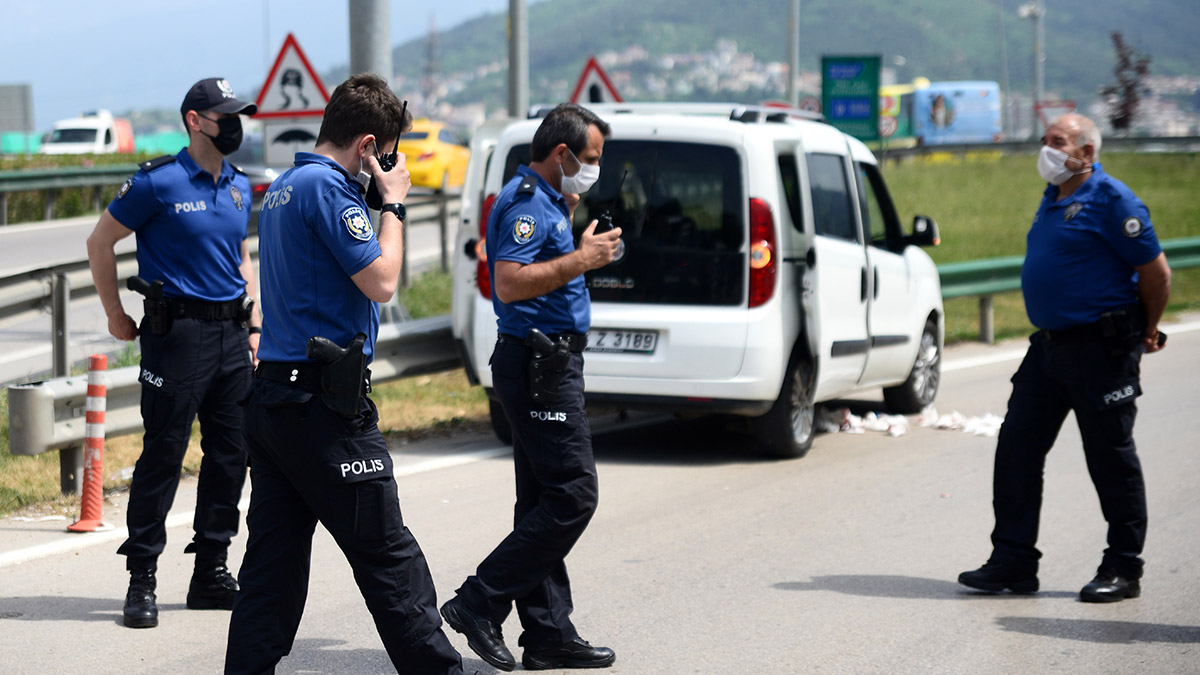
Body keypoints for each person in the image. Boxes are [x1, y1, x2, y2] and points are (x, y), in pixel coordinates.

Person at [223, 73, 462, 674]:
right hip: (325, 408)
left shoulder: (282, 185)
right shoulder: (329, 189)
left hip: (276, 399)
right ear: (367, 147)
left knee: (271, 572)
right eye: (386, 156)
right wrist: (395, 204)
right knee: (389, 560)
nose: (387, 167)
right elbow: (381, 281)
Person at [958, 113, 1171, 603]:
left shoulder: (1114, 200)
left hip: (1102, 349)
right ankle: (1013, 560)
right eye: (1045, 140)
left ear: (1087, 152)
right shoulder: (1054, 196)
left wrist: (1149, 328)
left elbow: (1156, 273)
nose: (1047, 149)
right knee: (1016, 449)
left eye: (1058, 142)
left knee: (1109, 458)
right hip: (1050, 348)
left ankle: (1123, 566)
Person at [439, 103, 620, 671]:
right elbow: (510, 284)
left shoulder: (546, 201)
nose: (593, 170)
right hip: (539, 368)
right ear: (561, 154)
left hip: (548, 363)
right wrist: (581, 259)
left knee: (541, 500)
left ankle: (547, 633)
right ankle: (479, 601)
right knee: (573, 494)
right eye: (588, 159)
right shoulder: (523, 204)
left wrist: (575, 248)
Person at [86, 77, 260, 629]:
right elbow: (99, 241)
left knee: (231, 456)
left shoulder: (238, 185)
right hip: (177, 336)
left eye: (238, 115)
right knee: (163, 454)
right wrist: (115, 313)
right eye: (223, 115)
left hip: (232, 338)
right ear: (194, 120)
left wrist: (255, 326)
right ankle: (142, 578)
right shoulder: (158, 182)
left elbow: (240, 255)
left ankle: (210, 570)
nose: (234, 125)